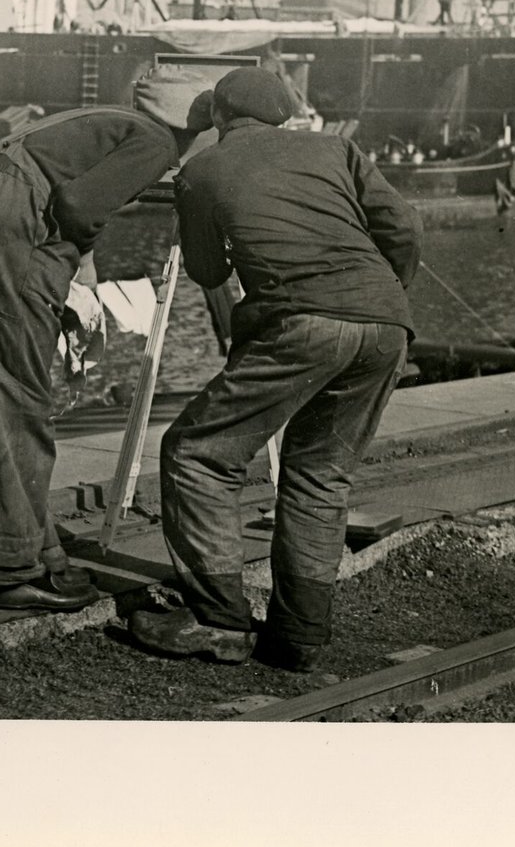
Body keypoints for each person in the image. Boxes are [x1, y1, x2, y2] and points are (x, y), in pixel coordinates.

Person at [129, 68, 421, 671]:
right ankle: (299, 637)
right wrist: (383, 297)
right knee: (320, 473)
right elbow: (406, 228)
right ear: (286, 112)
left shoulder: (203, 169)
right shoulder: (337, 149)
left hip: (302, 323)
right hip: (388, 325)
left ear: (217, 116)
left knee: (198, 453)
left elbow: (208, 273)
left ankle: (218, 620)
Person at [0, 102, 209, 610]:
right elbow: (81, 206)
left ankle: (38, 553)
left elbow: (66, 193)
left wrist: (74, 262)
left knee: (10, 397)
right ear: (192, 131)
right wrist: (81, 260)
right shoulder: (156, 141)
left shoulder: (106, 119)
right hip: (10, 227)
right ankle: (7, 570)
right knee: (19, 403)